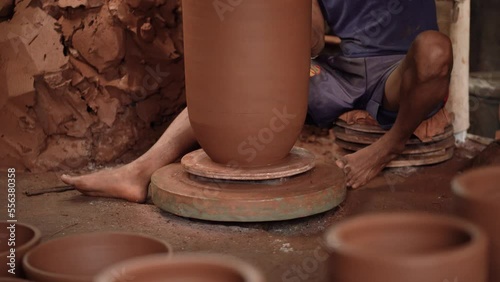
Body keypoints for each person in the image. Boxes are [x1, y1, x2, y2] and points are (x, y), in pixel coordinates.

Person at [61, 0, 453, 202]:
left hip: (397, 73)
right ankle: (138, 172)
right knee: (240, 88)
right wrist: (293, 26)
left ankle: (387, 147)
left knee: (435, 50)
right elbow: (313, 38)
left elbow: (431, 55)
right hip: (338, 71)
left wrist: (385, 148)